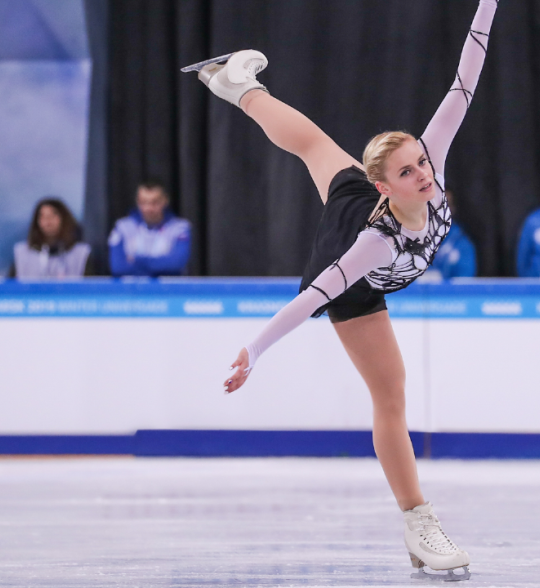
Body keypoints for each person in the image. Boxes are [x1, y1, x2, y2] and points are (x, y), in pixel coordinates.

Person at [187, 0, 498, 579]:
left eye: (423, 162)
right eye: (408, 172)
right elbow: (313, 297)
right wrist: (253, 351)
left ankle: (236, 85)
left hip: (362, 200)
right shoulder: (373, 246)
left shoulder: (427, 168)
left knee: (312, 145)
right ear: (384, 186)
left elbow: (464, 82)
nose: (424, 174)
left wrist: (487, 5)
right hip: (352, 270)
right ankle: (418, 522)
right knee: (392, 392)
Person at [108, 179, 191, 277]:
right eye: (144, 202)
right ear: (137, 202)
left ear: (165, 201)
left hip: (167, 290)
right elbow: (118, 267)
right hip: (131, 290)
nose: (149, 208)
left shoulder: (179, 228)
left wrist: (136, 260)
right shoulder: (122, 227)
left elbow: (176, 264)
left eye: (155, 202)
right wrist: (160, 264)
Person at [9, 198, 92, 279]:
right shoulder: (22, 254)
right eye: (43, 217)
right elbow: (8, 288)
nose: (48, 221)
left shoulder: (81, 254)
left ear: (64, 219)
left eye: (52, 216)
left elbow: (90, 288)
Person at [423, 190, 476, 280]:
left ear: (453, 209)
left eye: (445, 205)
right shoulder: (405, 239)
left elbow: (463, 284)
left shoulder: (462, 245)